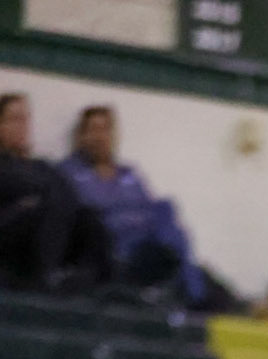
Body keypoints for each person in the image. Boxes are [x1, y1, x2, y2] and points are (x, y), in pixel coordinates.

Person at [60, 105, 207, 304]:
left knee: (165, 211)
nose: (100, 137)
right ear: (81, 136)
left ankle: (189, 290)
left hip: (147, 242)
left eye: (105, 129)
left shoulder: (129, 174)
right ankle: (190, 293)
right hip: (112, 246)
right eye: (94, 129)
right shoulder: (70, 172)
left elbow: (150, 209)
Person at [0, 90, 109, 293]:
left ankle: (99, 286)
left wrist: (39, 197)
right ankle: (46, 278)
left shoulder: (41, 166)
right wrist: (37, 198)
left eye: (25, 119)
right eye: (14, 119)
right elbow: (16, 186)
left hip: (44, 221)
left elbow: (68, 195)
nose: (22, 126)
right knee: (47, 205)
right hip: (10, 228)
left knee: (89, 217)